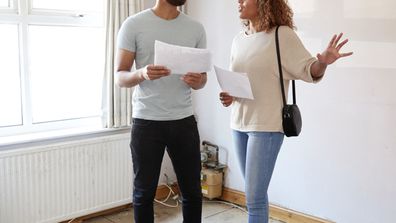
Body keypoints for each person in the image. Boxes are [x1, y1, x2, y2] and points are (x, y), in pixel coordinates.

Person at [219, 0, 353, 223]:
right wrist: (230, 95)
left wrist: (324, 63)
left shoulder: (282, 35)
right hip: (238, 124)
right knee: (255, 194)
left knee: (254, 199)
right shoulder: (238, 39)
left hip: (266, 126)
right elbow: (242, 81)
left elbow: (309, 69)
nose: (239, 1)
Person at [115, 0, 207, 222]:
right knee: (143, 193)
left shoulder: (196, 28)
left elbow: (202, 80)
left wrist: (197, 80)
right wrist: (142, 73)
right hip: (147, 123)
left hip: (184, 121)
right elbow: (120, 76)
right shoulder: (133, 24)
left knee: (193, 192)